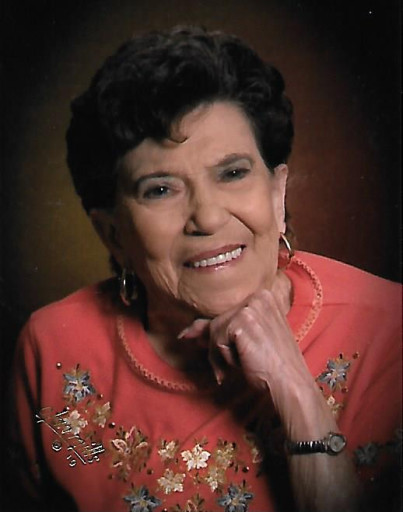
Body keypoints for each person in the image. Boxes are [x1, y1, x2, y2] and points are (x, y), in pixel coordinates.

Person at [10, 26, 401, 512]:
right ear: (112, 234)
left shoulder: (390, 332)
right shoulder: (53, 351)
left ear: (276, 194)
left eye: (233, 173)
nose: (209, 218)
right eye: (160, 189)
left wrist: (297, 393)